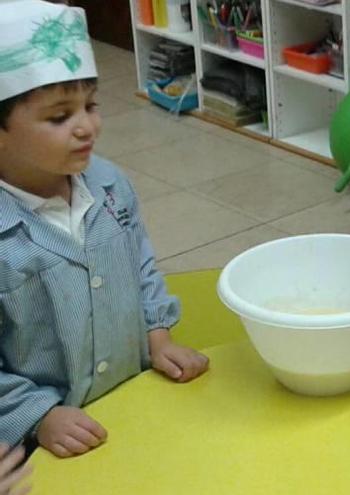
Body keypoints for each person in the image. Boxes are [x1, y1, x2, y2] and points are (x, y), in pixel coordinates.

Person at [0, 0, 209, 458]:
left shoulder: (110, 185)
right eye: (60, 117)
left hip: (131, 407)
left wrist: (157, 335)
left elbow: (141, 264)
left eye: (90, 105)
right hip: (39, 445)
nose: (87, 127)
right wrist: (37, 414)